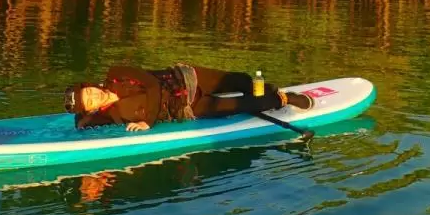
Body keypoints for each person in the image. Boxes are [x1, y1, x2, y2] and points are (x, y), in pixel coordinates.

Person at [63, 63, 314, 131]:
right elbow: (82, 124)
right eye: (90, 101)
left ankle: (264, 86)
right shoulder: (111, 116)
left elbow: (151, 83)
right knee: (243, 104)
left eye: (89, 92)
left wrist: (147, 122)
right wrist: (80, 112)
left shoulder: (116, 73)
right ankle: (285, 99)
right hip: (190, 107)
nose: (95, 96)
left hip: (188, 78)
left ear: (91, 85)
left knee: (237, 80)